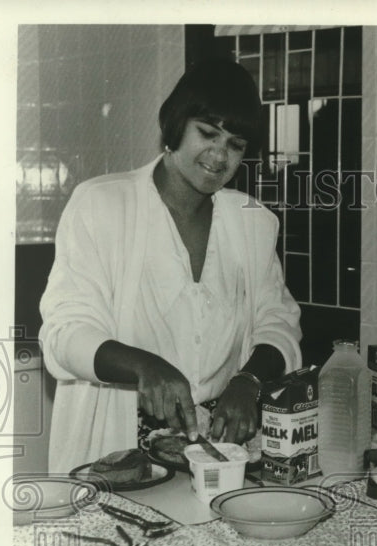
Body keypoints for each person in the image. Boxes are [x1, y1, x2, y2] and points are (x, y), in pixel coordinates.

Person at [40, 59, 302, 472]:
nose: (219, 155)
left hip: (219, 452)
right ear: (176, 125)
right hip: (116, 452)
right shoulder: (101, 204)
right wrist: (145, 367)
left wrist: (247, 382)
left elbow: (279, 320)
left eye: (235, 144)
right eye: (208, 133)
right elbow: (64, 332)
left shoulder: (252, 222)